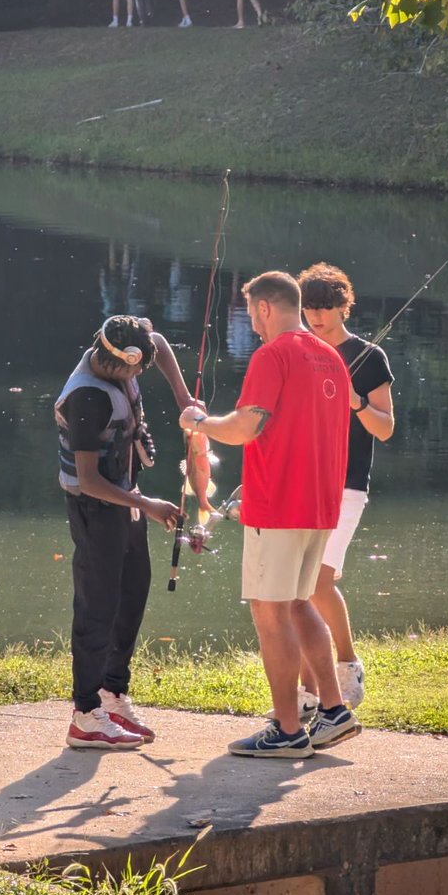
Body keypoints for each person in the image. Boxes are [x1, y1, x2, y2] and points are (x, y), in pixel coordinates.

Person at [179, 271, 361, 758]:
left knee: (269, 612)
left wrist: (200, 422)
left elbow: (243, 428)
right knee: (300, 603)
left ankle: (286, 730)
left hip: (279, 505)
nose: (254, 327)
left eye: (252, 315)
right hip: (322, 506)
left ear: (264, 308)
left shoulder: (272, 355)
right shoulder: (332, 359)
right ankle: (335, 710)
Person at [55, 315, 194, 750]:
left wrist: (185, 399)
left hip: (125, 499)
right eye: (136, 371)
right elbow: (91, 480)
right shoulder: (88, 399)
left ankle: (112, 695)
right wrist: (147, 505)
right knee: (98, 604)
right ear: (118, 364)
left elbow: (160, 342)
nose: (138, 377)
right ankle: (85, 713)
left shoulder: (126, 346)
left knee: (133, 592)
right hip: (96, 507)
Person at [294, 262, 395, 717]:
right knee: (298, 586)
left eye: (325, 308)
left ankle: (347, 662)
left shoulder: (369, 357)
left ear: (343, 307)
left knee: (317, 579)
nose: (317, 317)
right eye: (310, 308)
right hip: (301, 480)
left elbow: (386, 428)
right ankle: (308, 694)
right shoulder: (296, 351)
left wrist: (356, 402)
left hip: (346, 484)